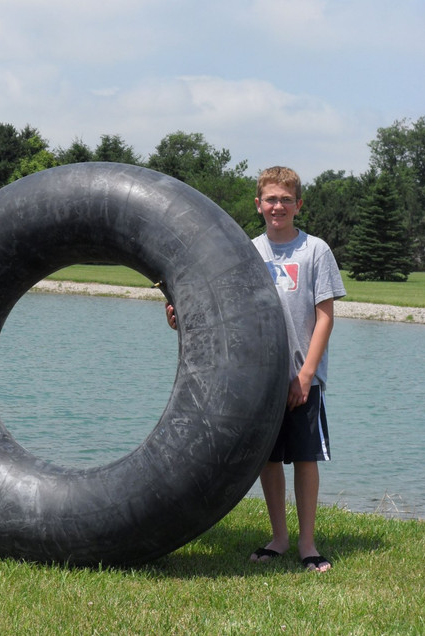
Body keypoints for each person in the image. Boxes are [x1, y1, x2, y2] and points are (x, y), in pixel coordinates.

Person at [165, 166, 345, 572]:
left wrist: (306, 375)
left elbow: (326, 317)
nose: (277, 206)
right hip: (258, 381)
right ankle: (278, 538)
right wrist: (181, 314)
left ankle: (308, 544)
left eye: (285, 199)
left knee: (304, 457)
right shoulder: (246, 250)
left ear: (298, 205)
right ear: (258, 204)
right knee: (268, 460)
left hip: (302, 378)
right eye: (270, 199)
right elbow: (220, 309)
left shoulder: (315, 251)